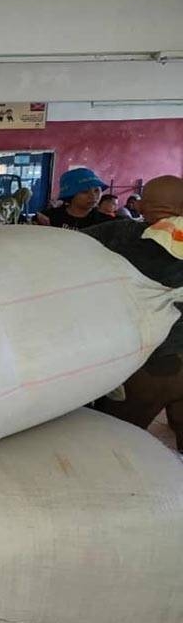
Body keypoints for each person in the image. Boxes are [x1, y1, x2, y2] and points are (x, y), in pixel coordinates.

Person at [85, 175, 183, 450]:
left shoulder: (127, 235)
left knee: (115, 438)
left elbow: (72, 246)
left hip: (155, 363)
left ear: (142, 206)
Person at [35, 168, 112, 231]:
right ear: (70, 194)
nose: (93, 196)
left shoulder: (106, 223)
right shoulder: (49, 217)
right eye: (85, 192)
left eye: (97, 190)